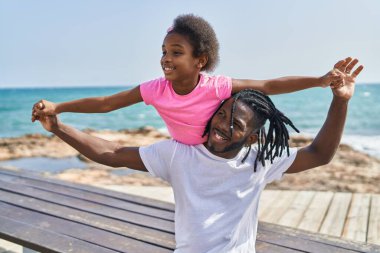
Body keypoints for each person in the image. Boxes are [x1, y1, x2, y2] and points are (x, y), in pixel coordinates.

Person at [34, 57, 363, 252]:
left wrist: (341, 101)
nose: (222, 125)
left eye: (236, 125)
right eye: (222, 113)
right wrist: (59, 127)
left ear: (252, 137)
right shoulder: (179, 154)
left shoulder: (258, 162)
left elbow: (319, 153)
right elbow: (113, 153)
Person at [32, 14, 346, 145]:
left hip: (220, 150)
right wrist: (59, 106)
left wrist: (319, 80)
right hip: (185, 153)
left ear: (200, 61)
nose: (166, 58)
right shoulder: (155, 89)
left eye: (176, 52)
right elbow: (107, 103)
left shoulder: (216, 86)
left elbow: (268, 86)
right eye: (164, 51)